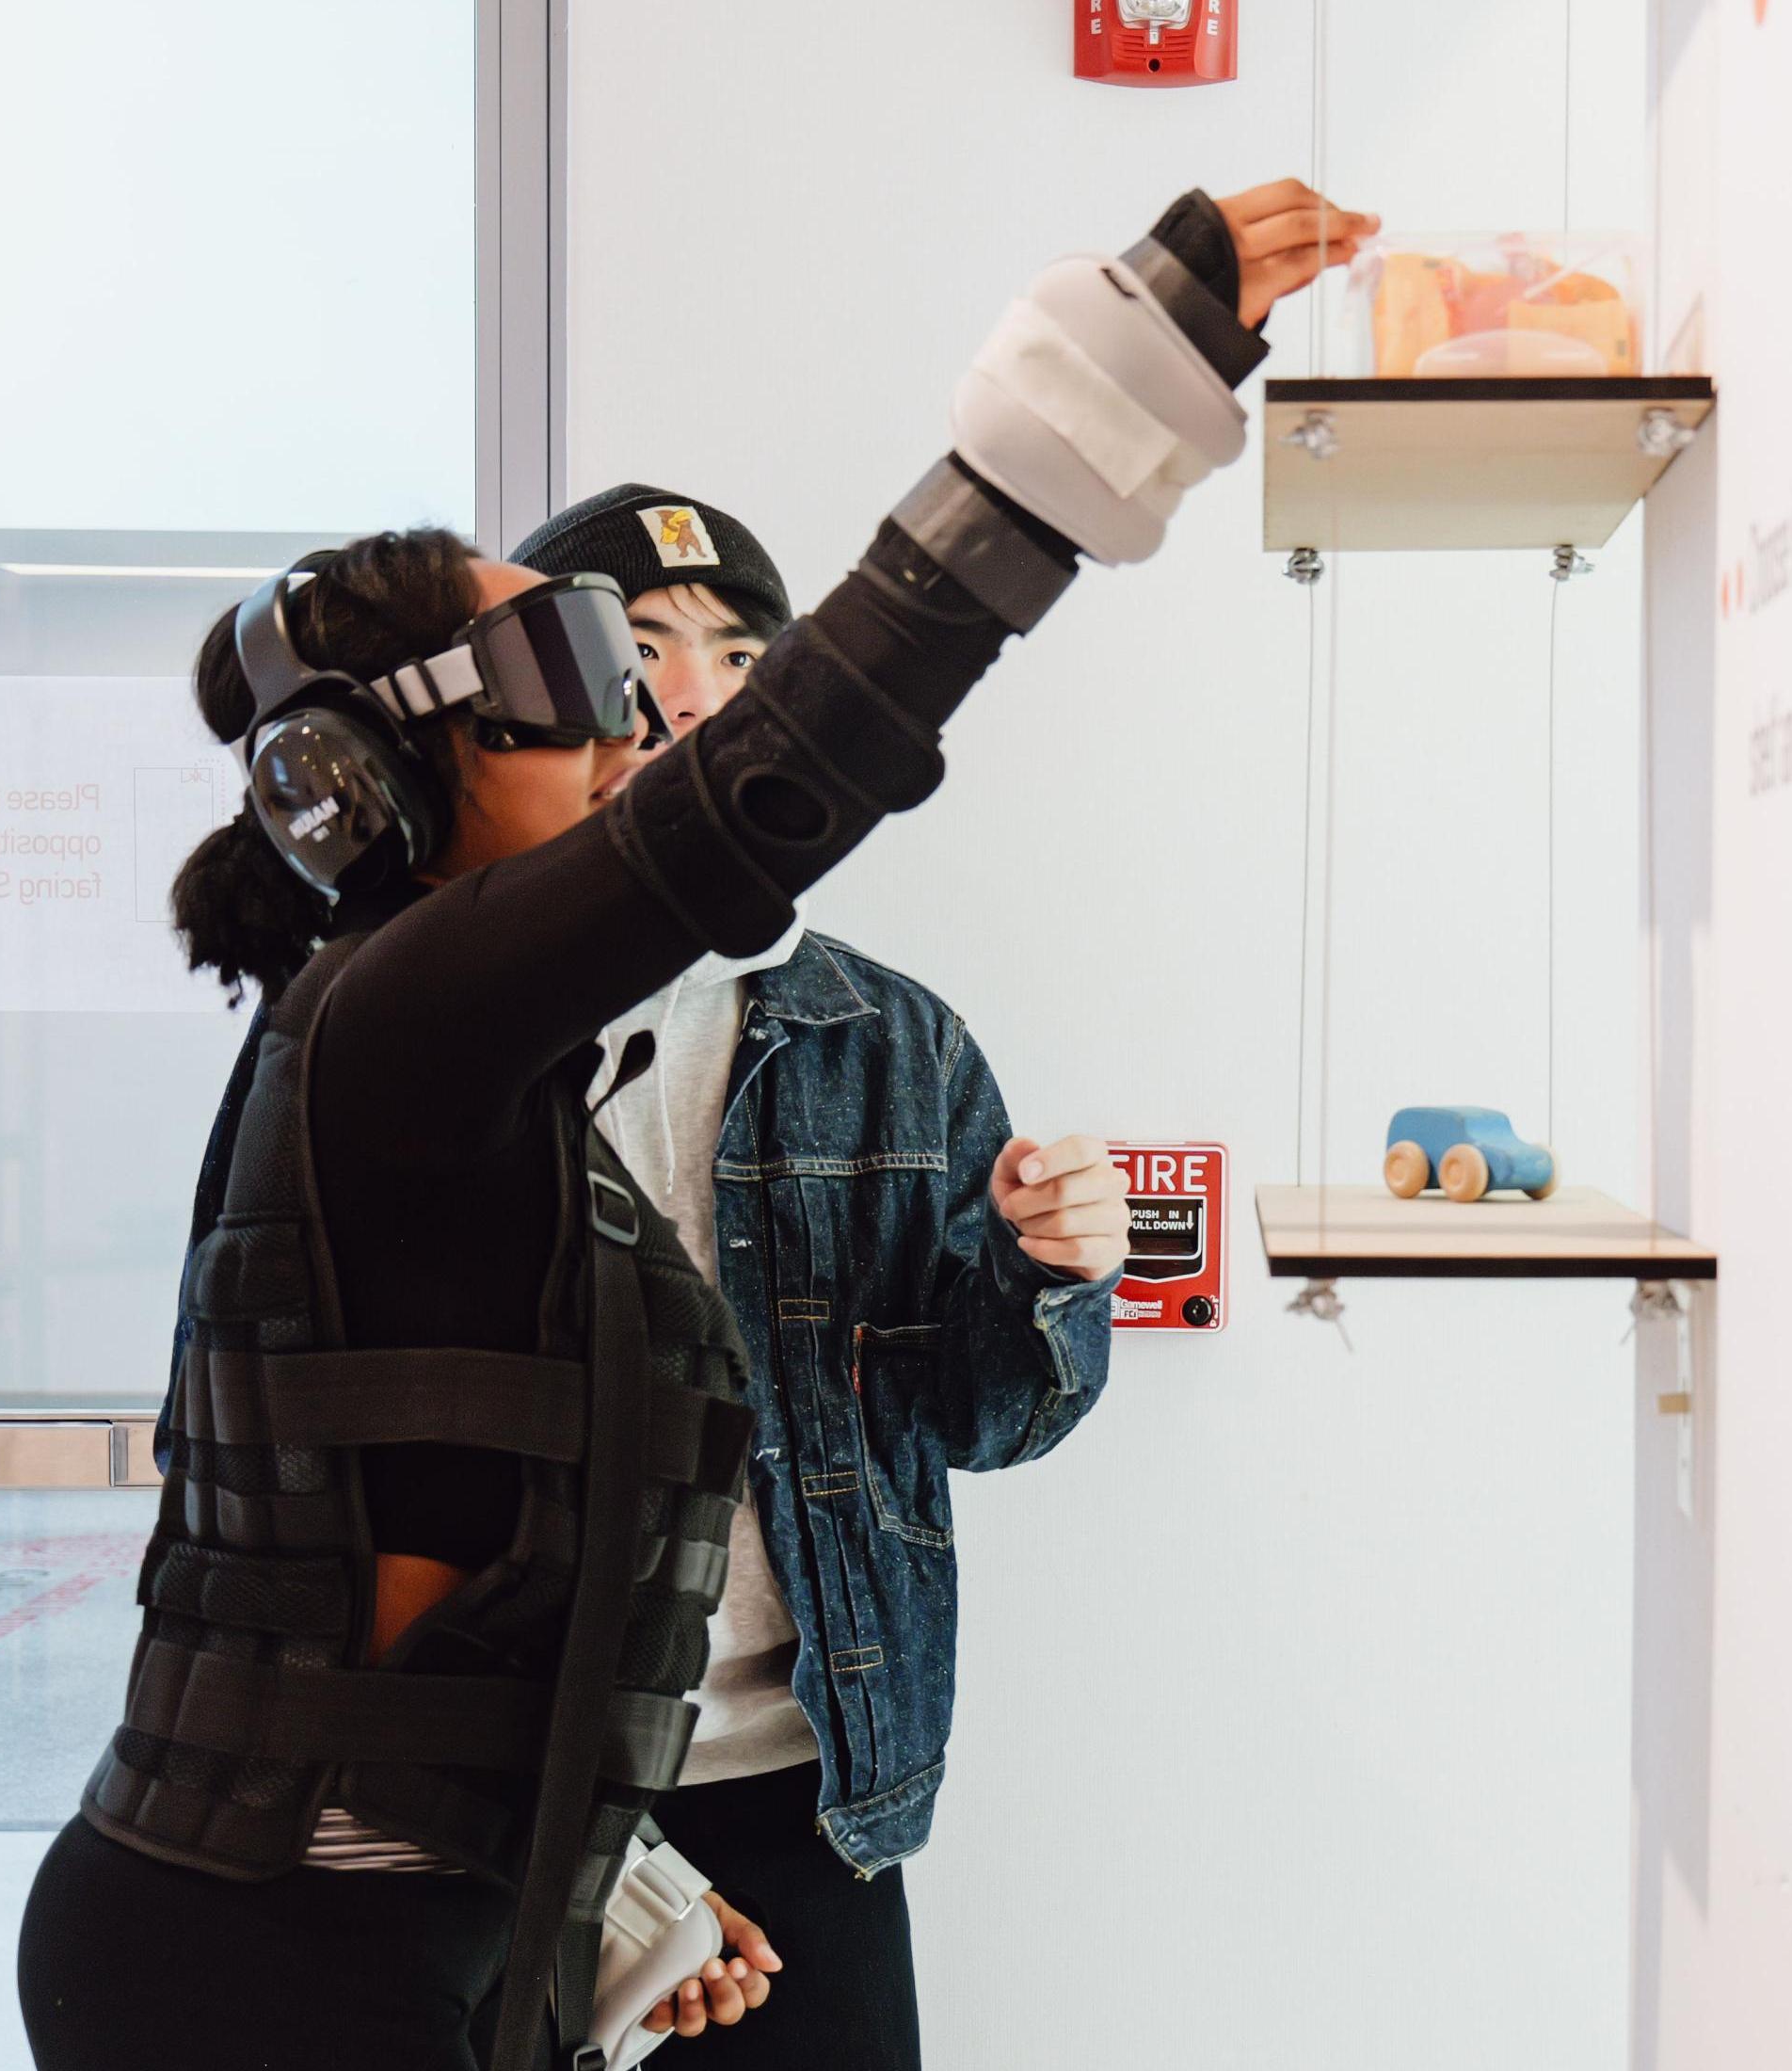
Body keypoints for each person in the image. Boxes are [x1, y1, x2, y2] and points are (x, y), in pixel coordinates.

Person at [47, 175, 1374, 2071]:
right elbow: (788, 775)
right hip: (269, 1957)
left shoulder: (426, 1045)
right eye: (578, 679)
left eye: (673, 674)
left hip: (439, 1904)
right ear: (373, 772)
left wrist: (629, 1893)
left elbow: (409, 1572)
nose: (638, 733)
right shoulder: (400, 1017)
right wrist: (1124, 363)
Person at [501, 480, 1130, 2068]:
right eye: (635, 644)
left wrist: (1052, 1273)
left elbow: (988, 1420)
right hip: (515, 1796)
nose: (691, 691)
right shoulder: (458, 1029)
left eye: (737, 651)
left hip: (812, 1788)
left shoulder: (893, 1040)